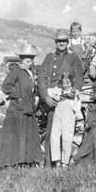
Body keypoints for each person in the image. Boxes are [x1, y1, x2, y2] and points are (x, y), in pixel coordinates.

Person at [38, 29, 85, 167]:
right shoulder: (49, 57)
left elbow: (79, 77)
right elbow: (41, 77)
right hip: (52, 100)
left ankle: (64, 163)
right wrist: (45, 96)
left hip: (67, 100)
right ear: (55, 42)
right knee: (51, 133)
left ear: (67, 42)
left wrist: (73, 92)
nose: (61, 43)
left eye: (64, 41)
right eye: (59, 41)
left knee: (67, 134)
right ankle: (49, 164)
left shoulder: (73, 58)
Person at [0, 48, 43, 168]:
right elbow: (6, 86)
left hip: (28, 107)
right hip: (17, 108)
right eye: (27, 61)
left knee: (27, 134)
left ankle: (25, 161)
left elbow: (32, 87)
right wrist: (18, 96)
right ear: (21, 61)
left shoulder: (31, 72)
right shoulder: (16, 71)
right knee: (17, 135)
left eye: (31, 61)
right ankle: (12, 162)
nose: (29, 63)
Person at [49, 72, 82, 167]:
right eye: (63, 83)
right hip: (57, 116)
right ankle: (57, 161)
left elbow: (77, 108)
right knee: (54, 137)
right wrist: (60, 96)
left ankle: (65, 162)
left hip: (68, 117)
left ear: (71, 83)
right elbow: (50, 93)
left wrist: (75, 96)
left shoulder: (75, 93)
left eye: (68, 83)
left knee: (67, 139)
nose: (66, 85)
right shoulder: (58, 91)